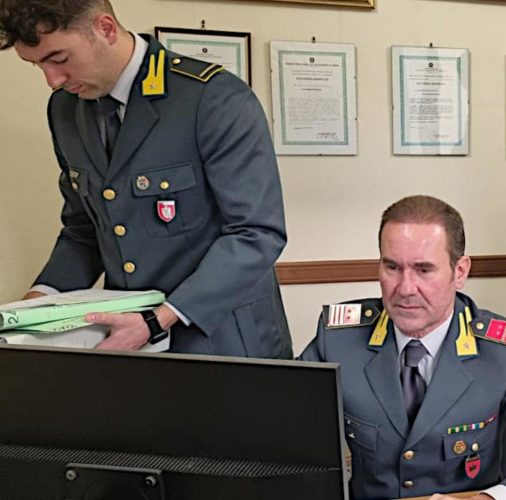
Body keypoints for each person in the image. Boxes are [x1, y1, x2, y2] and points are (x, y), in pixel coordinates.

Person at [0, 0, 291, 357]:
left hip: (225, 339)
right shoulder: (66, 109)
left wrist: (156, 321)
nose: (52, 80)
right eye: (37, 65)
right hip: (129, 339)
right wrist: (30, 310)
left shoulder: (211, 97)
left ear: (105, 29)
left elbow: (256, 232)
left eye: (59, 59)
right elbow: (83, 229)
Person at [300, 195, 506, 499]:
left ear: (460, 272)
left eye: (424, 270)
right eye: (392, 267)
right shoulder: (338, 341)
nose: (405, 288)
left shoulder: (503, 354)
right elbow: (288, 438)